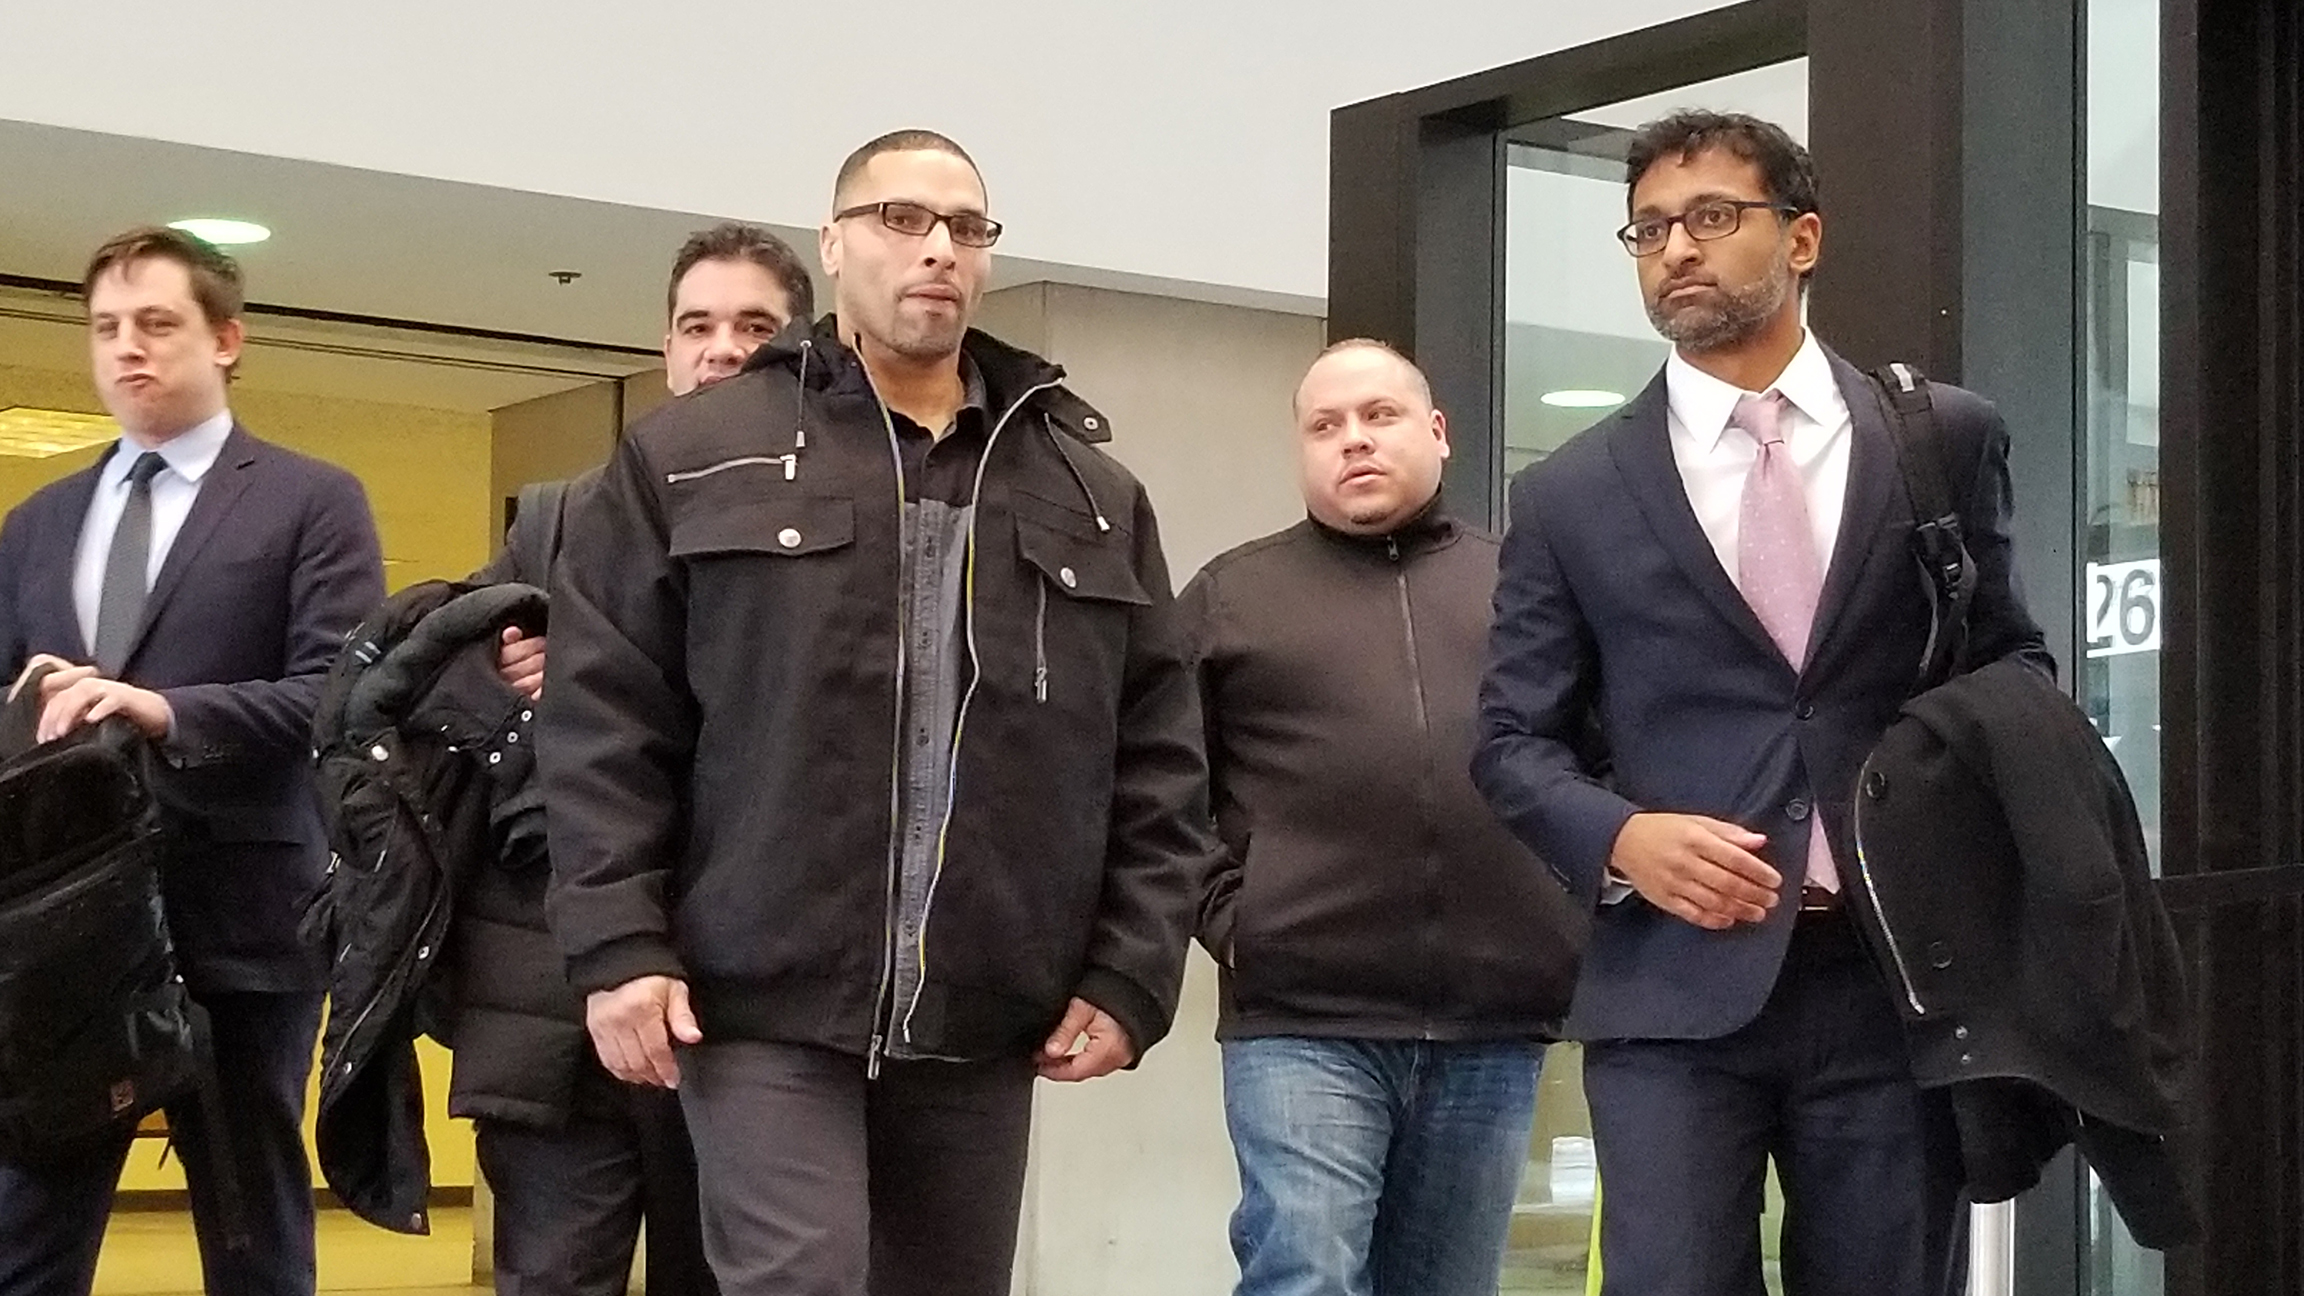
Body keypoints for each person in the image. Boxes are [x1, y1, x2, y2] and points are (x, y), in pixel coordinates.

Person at [537, 129, 1210, 1296]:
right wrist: (620, 946)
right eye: (902, 221)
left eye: (966, 229)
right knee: (800, 1279)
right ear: (834, 244)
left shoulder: (1088, 493)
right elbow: (606, 726)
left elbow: (1156, 757)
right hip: (757, 995)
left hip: (985, 1003)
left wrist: (1131, 969)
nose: (937, 251)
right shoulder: (690, 457)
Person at [1472, 110, 2052, 1295]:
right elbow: (1512, 743)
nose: (1675, 248)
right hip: (1672, 986)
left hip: (1896, 979)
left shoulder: (1939, 436)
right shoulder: (1570, 493)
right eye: (1649, 229)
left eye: (1712, 217)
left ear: (1803, 239)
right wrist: (1623, 837)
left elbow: (2015, 672)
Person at [0, 226, 385, 1296]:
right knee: (27, 1232)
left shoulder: (310, 500)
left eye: (158, 324)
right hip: (59, 942)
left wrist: (164, 709)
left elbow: (337, 694)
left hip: (242, 919)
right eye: (107, 329)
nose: (129, 349)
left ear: (226, 339)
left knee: (252, 1231)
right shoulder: (38, 525)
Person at [1183, 339, 1585, 1296]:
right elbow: (1159, 794)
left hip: (1495, 1020)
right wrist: (1242, 925)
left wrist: (1567, 915)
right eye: (1326, 425)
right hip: (1302, 1019)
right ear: (1301, 451)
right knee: (1306, 1273)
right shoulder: (1229, 598)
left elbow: (1593, 763)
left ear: (1439, 433)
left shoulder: (1527, 592)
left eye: (1380, 416)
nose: (1354, 441)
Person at [456, 222, 814, 1296]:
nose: (721, 348)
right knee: (554, 1275)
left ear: (800, 349)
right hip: (554, 1000)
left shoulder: (842, 534)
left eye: (755, 325)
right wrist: (531, 686)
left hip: (745, 1005)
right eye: (696, 325)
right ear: (664, 348)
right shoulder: (561, 521)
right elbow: (458, 694)